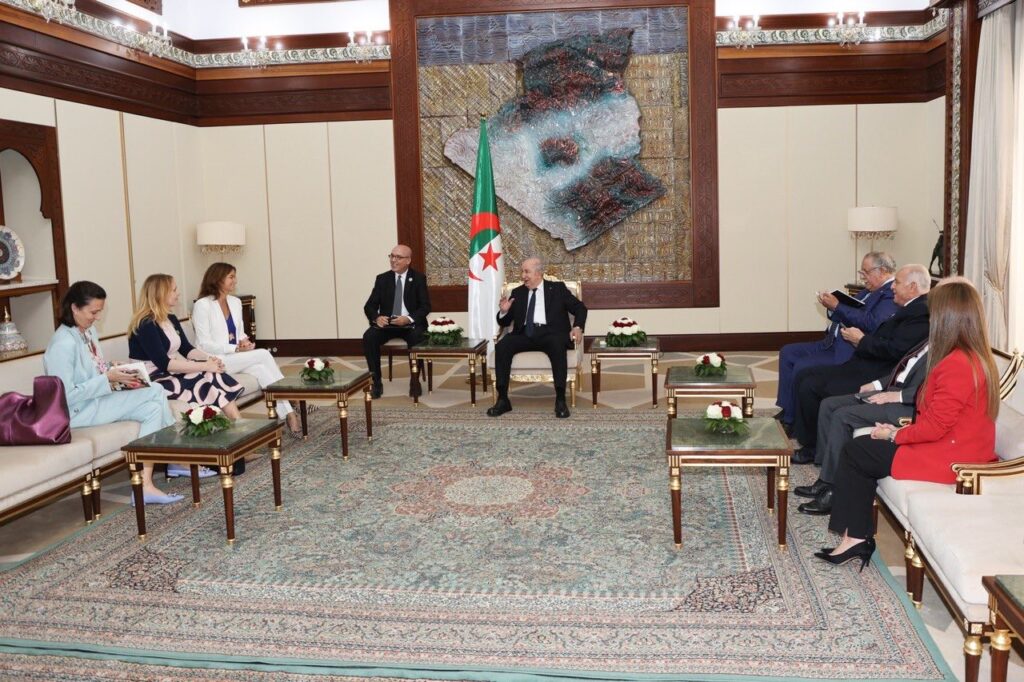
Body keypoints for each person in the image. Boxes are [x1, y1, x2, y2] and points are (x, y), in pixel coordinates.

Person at [816, 278, 998, 569]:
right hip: (951, 446)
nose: (930, 319)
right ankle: (854, 537)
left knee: (858, 451)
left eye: (933, 313)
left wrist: (893, 435)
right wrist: (896, 432)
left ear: (947, 318)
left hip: (951, 458)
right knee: (861, 448)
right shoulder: (969, 356)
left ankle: (855, 538)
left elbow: (936, 427)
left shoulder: (957, 364)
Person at [43, 281, 182, 505]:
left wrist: (111, 368)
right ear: (74, 308)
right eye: (93, 312)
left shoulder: (87, 332)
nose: (98, 318)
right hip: (77, 411)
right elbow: (65, 395)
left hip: (96, 399)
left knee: (153, 409)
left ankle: (144, 483)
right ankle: (176, 457)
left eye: (100, 311)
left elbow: (91, 369)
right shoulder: (62, 343)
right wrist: (106, 378)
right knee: (156, 389)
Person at [789, 264, 931, 463]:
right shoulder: (911, 308)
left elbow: (895, 351)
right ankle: (808, 440)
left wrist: (861, 340)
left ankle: (812, 448)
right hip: (865, 364)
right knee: (805, 375)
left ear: (912, 287)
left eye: (897, 283)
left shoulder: (921, 313)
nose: (892, 287)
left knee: (811, 385)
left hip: (876, 372)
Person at [128, 273, 245, 475]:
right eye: (173, 289)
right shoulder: (145, 324)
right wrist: (203, 366)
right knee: (199, 379)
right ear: (160, 293)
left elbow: (187, 349)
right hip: (154, 378)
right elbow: (164, 363)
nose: (178, 293)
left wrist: (209, 359)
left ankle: (241, 435)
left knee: (214, 375)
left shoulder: (170, 318)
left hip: (172, 371)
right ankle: (216, 447)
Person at [795, 342, 928, 515]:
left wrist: (898, 396)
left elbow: (930, 390)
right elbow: (904, 371)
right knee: (828, 405)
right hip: (892, 394)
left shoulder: (947, 349)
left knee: (842, 416)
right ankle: (825, 479)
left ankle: (835, 492)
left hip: (906, 407)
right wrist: (876, 385)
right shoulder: (927, 341)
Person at [776, 252, 898, 426]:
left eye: (866, 272)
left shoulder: (890, 295)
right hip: (831, 342)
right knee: (788, 352)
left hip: (847, 350)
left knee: (802, 366)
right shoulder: (868, 290)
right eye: (861, 272)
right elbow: (846, 311)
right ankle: (787, 409)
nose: (862, 277)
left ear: (883, 271)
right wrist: (832, 305)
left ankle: (793, 420)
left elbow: (871, 323)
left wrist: (837, 305)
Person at [192, 263, 301, 438]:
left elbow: (239, 333)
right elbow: (204, 344)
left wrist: (244, 342)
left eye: (234, 276)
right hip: (215, 360)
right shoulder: (203, 305)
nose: (235, 281)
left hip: (234, 357)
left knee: (261, 369)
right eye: (231, 277)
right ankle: (291, 397)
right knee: (263, 354)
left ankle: (289, 414)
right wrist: (235, 348)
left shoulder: (235, 302)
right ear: (218, 278)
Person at [487, 257, 587, 419]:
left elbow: (580, 308)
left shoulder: (557, 289)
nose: (523, 276)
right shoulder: (517, 293)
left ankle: (560, 400)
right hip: (524, 334)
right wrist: (504, 311)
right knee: (502, 346)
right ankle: (503, 399)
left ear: (539, 273)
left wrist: (577, 327)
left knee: (557, 345)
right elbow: (504, 322)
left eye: (527, 272)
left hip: (551, 333)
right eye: (522, 272)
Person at [362, 244, 431, 399]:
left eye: (398, 257)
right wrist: (377, 318)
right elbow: (369, 306)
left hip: (410, 324)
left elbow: (425, 306)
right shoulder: (382, 279)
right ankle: (376, 382)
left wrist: (408, 318)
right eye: (392, 256)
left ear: (408, 260)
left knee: (418, 338)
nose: (393, 260)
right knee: (369, 337)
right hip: (388, 324)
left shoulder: (418, 278)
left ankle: (415, 381)